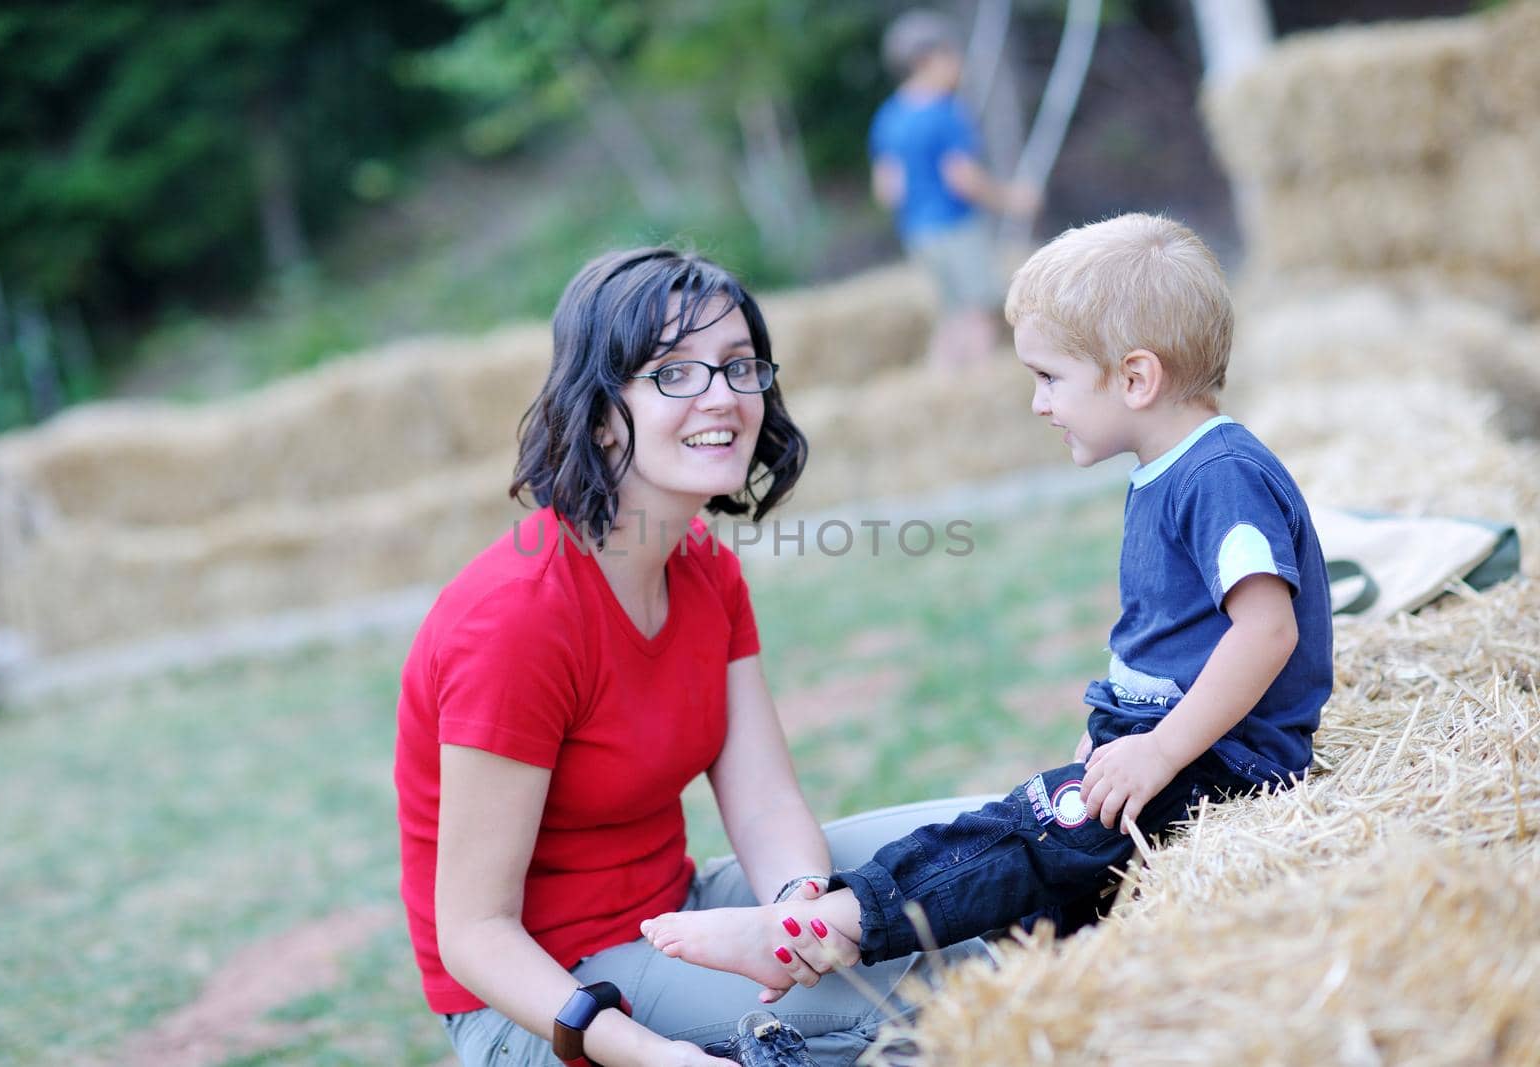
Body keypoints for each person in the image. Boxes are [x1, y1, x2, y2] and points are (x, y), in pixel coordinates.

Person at [640, 214, 1335, 996]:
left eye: (1049, 377)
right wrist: (1114, 727)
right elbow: (1164, 639)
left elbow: (1268, 627)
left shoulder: (1221, 475)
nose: (1038, 403)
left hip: (1224, 766)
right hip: (1172, 747)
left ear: (1136, 379)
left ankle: (829, 928)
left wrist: (1161, 748)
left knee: (1023, 837)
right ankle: (884, 940)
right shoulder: (1170, 469)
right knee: (1042, 874)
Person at [394, 247, 988, 1067]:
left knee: (988, 857)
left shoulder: (703, 564)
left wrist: (797, 913)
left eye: (740, 367)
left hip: (677, 913)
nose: (723, 395)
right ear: (601, 412)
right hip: (545, 1003)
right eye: (676, 373)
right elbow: (474, 932)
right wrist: (651, 1055)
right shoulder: (516, 617)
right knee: (939, 981)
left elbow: (766, 802)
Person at [870, 8, 1039, 369]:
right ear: (927, 60)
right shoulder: (946, 113)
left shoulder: (889, 117)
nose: (958, 64)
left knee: (950, 315)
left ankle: (943, 385)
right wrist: (1012, 200)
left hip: (917, 232)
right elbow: (961, 178)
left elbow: (888, 190)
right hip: (955, 226)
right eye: (952, 55)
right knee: (980, 311)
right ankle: (978, 384)